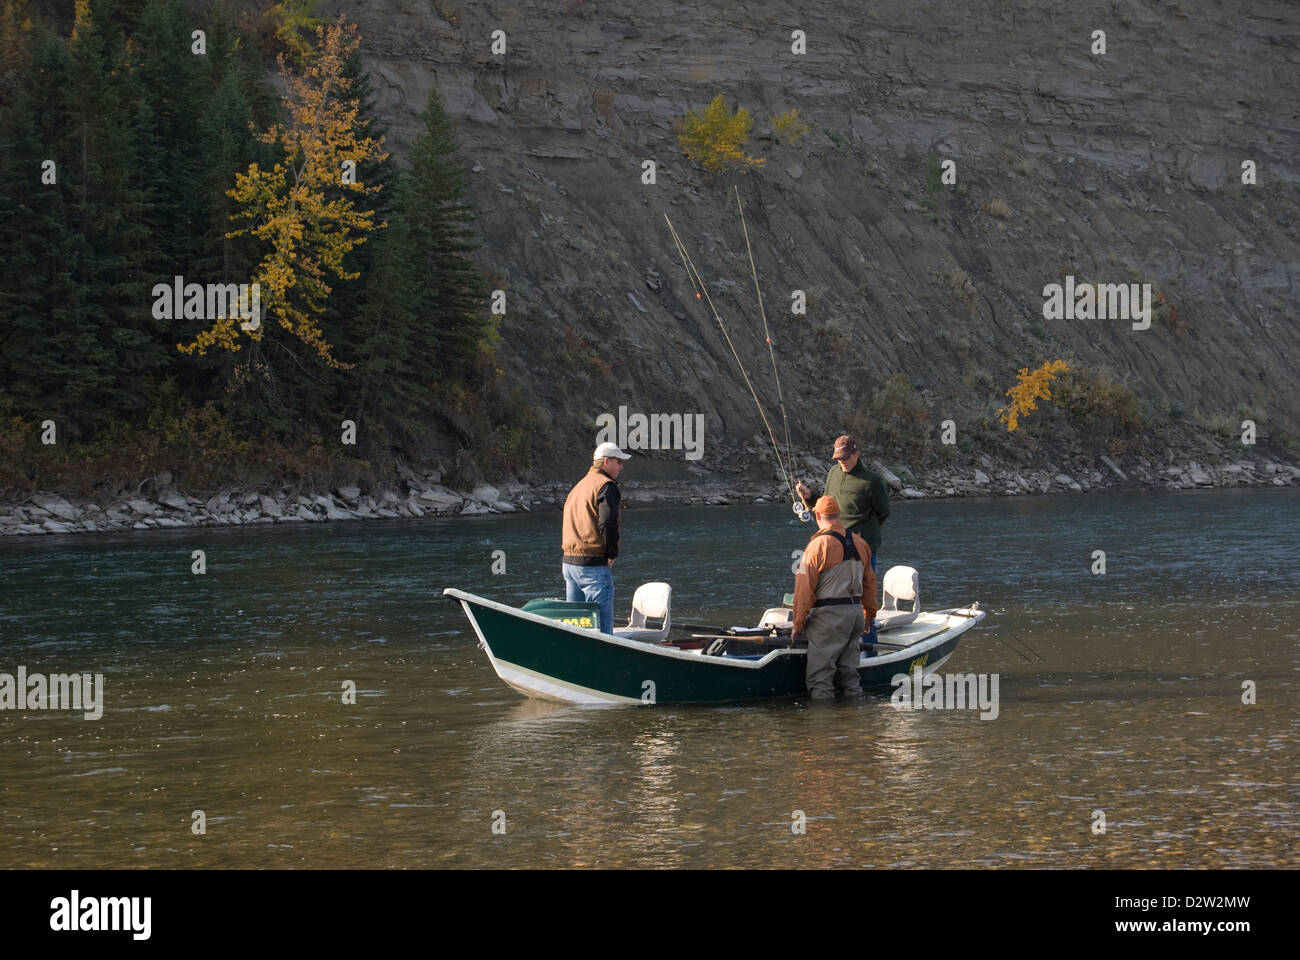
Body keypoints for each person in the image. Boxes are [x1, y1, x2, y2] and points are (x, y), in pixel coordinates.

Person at [791, 496, 879, 700]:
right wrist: (868, 617)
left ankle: (824, 727)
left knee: (820, 679)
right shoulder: (861, 543)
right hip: (855, 615)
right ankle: (856, 720)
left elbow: (804, 590)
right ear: (838, 514)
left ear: (818, 515)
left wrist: (798, 623)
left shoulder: (816, 546)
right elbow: (870, 584)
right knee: (850, 676)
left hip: (829, 618)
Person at [561, 441, 631, 633]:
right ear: (606, 461)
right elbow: (608, 522)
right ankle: (604, 660)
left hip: (569, 563)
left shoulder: (578, 486)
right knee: (602, 627)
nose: (621, 466)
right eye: (618, 461)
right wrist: (611, 554)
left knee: (575, 625)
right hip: (593, 566)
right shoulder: (606, 486)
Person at [796, 435, 890, 574]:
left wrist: (865, 532)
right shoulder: (833, 472)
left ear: (856, 454)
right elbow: (825, 505)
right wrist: (809, 497)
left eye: (845, 457)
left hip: (862, 548)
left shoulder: (872, 481)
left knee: (864, 590)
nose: (842, 462)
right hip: (835, 545)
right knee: (838, 591)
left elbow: (883, 512)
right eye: (839, 458)